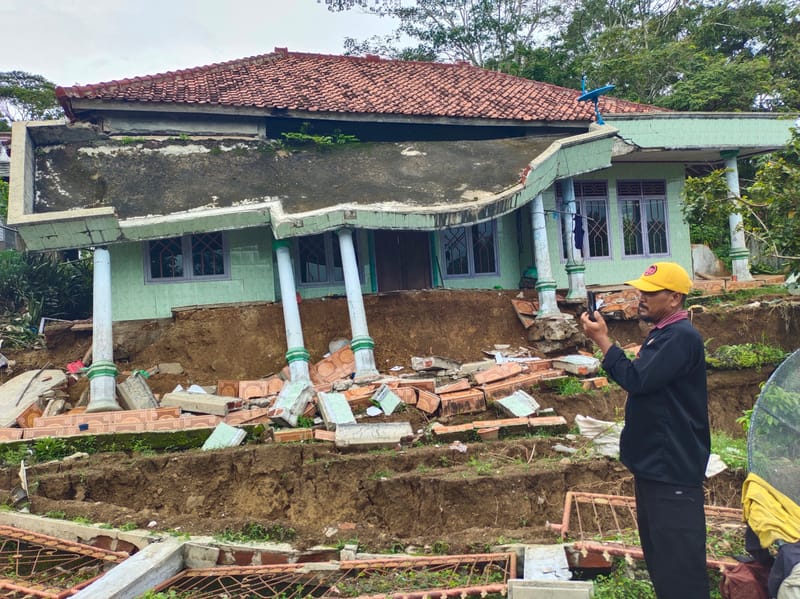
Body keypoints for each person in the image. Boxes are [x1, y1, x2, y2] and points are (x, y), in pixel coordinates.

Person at [580, 262, 711, 599]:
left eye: (651, 292)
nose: (642, 297)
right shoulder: (664, 334)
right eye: (641, 290)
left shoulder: (679, 337)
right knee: (663, 566)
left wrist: (602, 340)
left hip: (672, 472)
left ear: (675, 298)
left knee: (680, 572)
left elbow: (636, 379)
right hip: (656, 469)